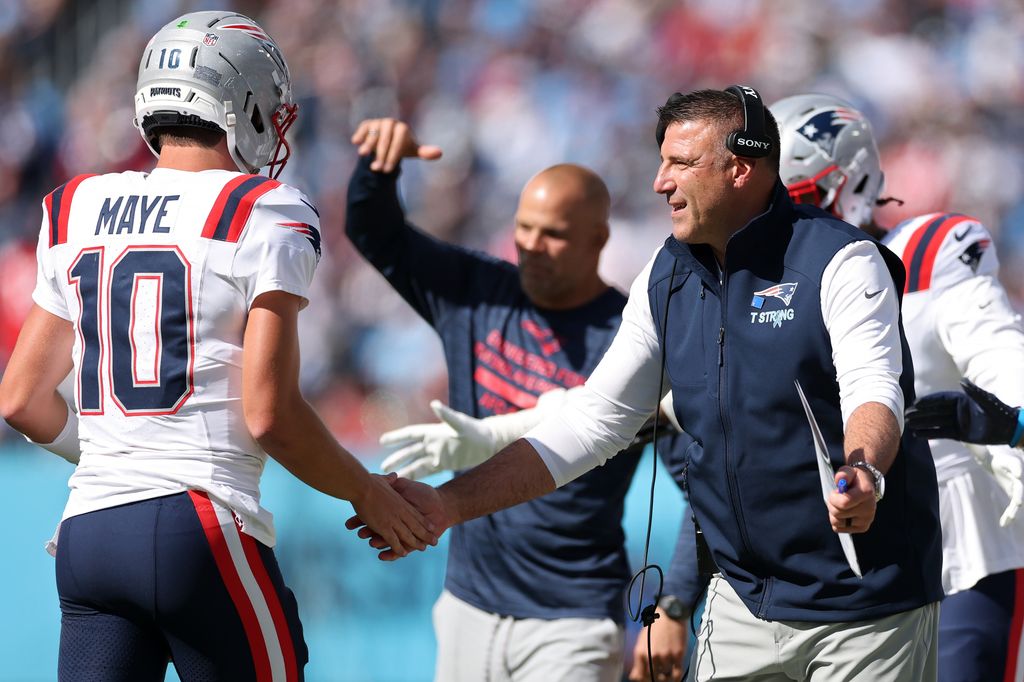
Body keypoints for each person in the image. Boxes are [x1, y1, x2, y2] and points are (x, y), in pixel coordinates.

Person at [352, 86, 945, 682]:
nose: (660, 182)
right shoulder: (665, 274)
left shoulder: (842, 258)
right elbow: (594, 421)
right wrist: (446, 505)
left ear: (741, 167)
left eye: (681, 163)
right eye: (662, 162)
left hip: (866, 604)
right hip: (742, 603)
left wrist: (863, 471)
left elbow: (875, 389)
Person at [0, 12, 435, 681]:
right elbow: (271, 415)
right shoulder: (263, 210)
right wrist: (366, 492)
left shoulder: (76, 205)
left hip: (89, 534)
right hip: (197, 523)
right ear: (245, 106)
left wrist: (125, 463)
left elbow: (22, 398)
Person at [345, 117, 690, 682]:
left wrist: (671, 607)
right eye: (523, 228)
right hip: (467, 604)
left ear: (598, 241)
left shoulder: (633, 338)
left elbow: (697, 487)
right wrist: (379, 167)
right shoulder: (477, 291)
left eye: (552, 234)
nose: (531, 246)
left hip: (572, 620)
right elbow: (374, 232)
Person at [772, 92, 1024, 682]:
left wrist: (1009, 419)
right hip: (821, 559)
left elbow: (1005, 364)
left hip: (956, 554)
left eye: (798, 197)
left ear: (849, 181)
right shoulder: (765, 286)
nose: (783, 216)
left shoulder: (931, 257)